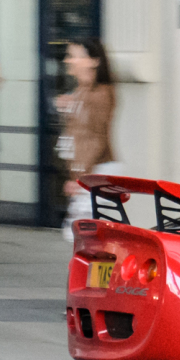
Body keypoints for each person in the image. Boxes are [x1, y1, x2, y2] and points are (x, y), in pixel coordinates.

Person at [57, 39, 120, 242]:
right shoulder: (80, 93)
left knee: (87, 238)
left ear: (93, 61)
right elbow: (76, 135)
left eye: (74, 55)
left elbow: (96, 138)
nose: (69, 60)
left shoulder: (101, 94)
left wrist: (81, 176)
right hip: (87, 174)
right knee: (82, 239)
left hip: (97, 173)